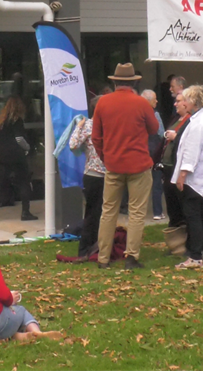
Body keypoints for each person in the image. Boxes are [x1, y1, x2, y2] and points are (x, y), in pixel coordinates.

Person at [92, 63, 159, 270]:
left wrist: (106, 157)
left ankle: (103, 258)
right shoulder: (141, 103)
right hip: (138, 164)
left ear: (114, 82)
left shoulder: (103, 103)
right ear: (134, 82)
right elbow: (154, 128)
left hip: (113, 165)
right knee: (136, 212)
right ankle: (131, 257)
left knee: (108, 211)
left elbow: (96, 137)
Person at [172, 85, 203, 270]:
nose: (182, 102)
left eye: (185, 99)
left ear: (192, 101)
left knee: (193, 216)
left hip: (195, 176)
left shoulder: (199, 123)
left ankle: (195, 256)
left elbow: (192, 151)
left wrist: (182, 174)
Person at [0, 95, 35, 224]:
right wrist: (27, 148)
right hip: (17, 156)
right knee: (24, 182)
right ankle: (25, 212)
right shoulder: (17, 121)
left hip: (3, 156)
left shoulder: (1, 122)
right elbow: (19, 139)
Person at [69, 96, 104, 257]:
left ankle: (97, 245)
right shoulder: (89, 125)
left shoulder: (108, 124)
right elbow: (73, 144)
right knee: (92, 213)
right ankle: (84, 248)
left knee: (103, 214)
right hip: (93, 175)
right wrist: (79, 126)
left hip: (109, 175)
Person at [141, 89, 166, 221]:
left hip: (140, 152)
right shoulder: (155, 115)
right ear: (149, 101)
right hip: (154, 153)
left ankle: (138, 212)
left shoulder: (136, 114)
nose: (157, 101)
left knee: (140, 183)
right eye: (154, 99)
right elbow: (161, 134)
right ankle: (157, 212)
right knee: (157, 182)